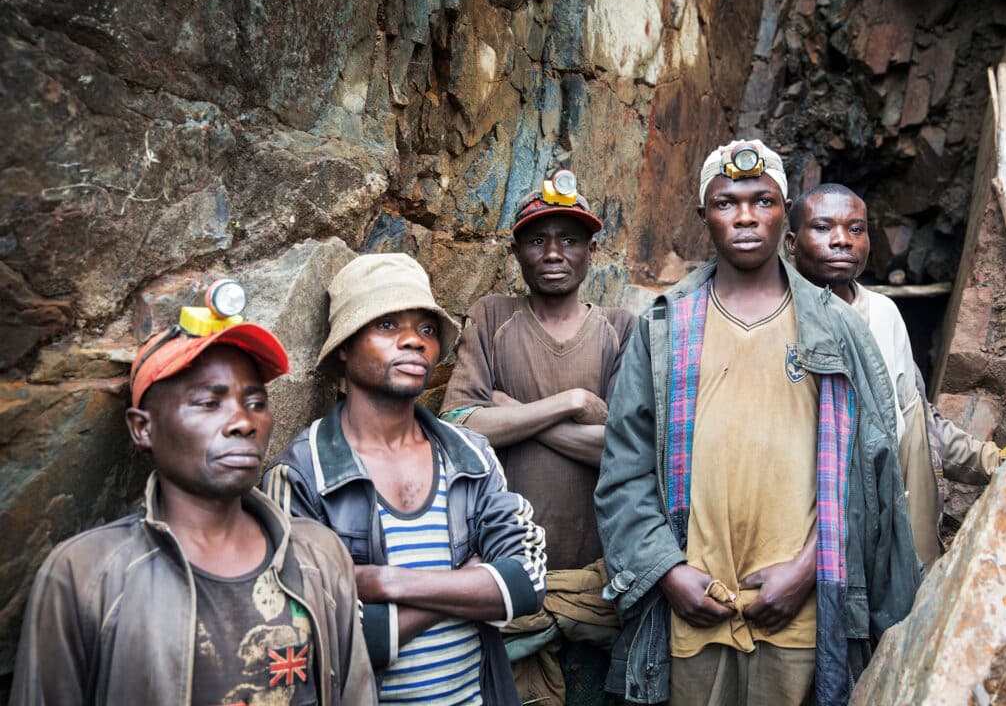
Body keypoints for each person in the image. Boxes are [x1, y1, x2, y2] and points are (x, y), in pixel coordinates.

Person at [594, 140, 921, 706]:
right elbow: (624, 471)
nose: (745, 216)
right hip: (693, 612)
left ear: (783, 211)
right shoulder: (663, 329)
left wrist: (810, 566)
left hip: (801, 615)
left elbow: (871, 477)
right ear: (703, 215)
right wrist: (668, 571)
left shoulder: (837, 329)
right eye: (726, 203)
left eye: (762, 200)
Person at [10, 291, 376, 705]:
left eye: (255, 402)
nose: (242, 421)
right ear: (142, 429)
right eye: (208, 402)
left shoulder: (319, 555)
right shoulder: (84, 575)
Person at [262, 253, 547, 705]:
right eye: (388, 325)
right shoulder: (302, 475)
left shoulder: (470, 455)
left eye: (427, 329)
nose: (414, 341)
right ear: (344, 346)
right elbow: (324, 642)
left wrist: (387, 583)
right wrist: (466, 583)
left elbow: (525, 584)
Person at [440, 173, 635, 703]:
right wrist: (567, 404)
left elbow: (622, 451)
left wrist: (513, 413)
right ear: (517, 251)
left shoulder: (621, 329)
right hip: (505, 571)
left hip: (597, 575)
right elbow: (459, 426)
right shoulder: (492, 318)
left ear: (592, 250)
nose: (553, 253)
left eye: (569, 240)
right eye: (536, 240)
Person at [785, 182, 1006, 564]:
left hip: (883, 525)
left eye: (855, 229)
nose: (842, 240)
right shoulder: (776, 321)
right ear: (792, 242)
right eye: (824, 228)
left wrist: (998, 462)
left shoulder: (883, 314)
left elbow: (915, 423)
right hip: (802, 532)